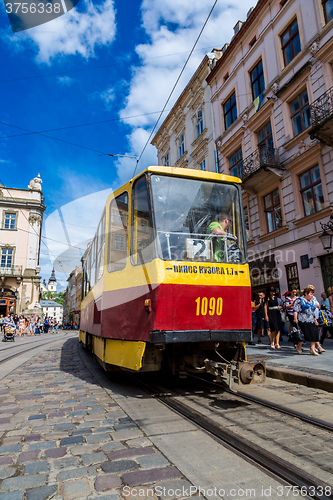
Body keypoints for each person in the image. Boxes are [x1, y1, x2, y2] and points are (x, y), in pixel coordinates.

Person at [294, 284, 322, 356]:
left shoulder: (312, 302)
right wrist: (295, 318)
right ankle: (299, 346)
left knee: (314, 334)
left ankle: (312, 349)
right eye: (310, 294)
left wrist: (315, 319)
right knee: (304, 335)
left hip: (311, 319)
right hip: (303, 319)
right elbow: (296, 310)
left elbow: (312, 312)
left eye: (312, 294)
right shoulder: (300, 300)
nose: (312, 295)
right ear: (306, 294)